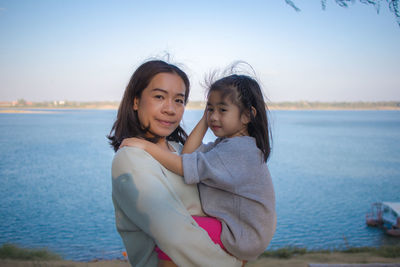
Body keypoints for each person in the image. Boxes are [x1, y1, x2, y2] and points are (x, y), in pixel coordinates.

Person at [120, 73, 277, 264]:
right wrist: (206, 118)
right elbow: (189, 153)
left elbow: (184, 166)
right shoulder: (229, 145)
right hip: (241, 230)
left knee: (173, 232)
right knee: (178, 232)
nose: (214, 117)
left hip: (240, 233)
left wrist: (144, 146)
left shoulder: (238, 150)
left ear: (246, 116)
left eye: (222, 110)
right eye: (210, 110)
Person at [108, 60, 243, 267]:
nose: (170, 109)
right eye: (159, 97)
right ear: (136, 101)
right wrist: (235, 263)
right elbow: (176, 236)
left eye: (179, 100)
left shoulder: (180, 150)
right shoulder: (131, 159)